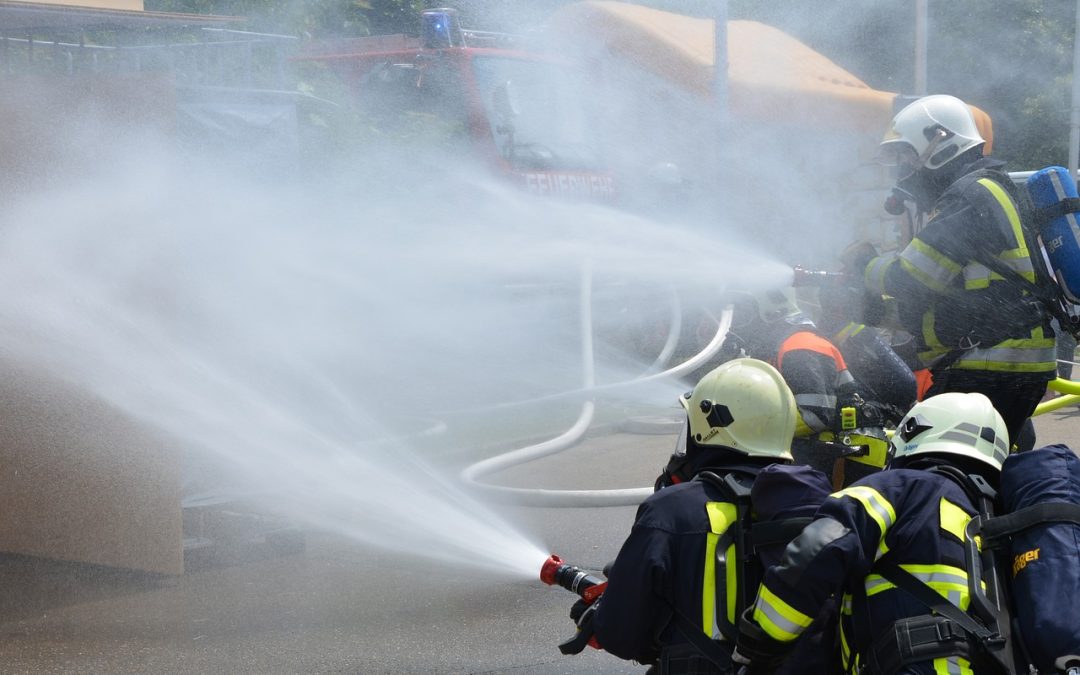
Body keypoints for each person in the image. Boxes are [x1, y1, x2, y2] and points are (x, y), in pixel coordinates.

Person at [579, 358, 834, 674]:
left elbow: (622, 636)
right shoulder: (824, 508)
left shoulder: (671, 512)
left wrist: (600, 617)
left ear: (710, 426)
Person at [733, 391, 1012, 675]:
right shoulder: (1001, 518)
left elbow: (819, 548)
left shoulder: (899, 487)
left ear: (913, 434)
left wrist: (761, 642)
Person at [846, 94, 1056, 447]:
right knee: (990, 470)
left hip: (991, 368)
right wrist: (875, 311)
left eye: (908, 154)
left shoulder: (971, 196)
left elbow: (909, 278)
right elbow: (956, 297)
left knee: (932, 458)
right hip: (1001, 363)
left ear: (941, 143)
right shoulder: (980, 191)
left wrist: (863, 265)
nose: (904, 167)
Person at [717, 287, 890, 480]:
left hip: (850, 455)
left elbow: (814, 416)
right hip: (832, 448)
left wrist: (753, 427)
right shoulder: (779, 347)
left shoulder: (799, 347)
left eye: (745, 315)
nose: (738, 325)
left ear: (772, 312)